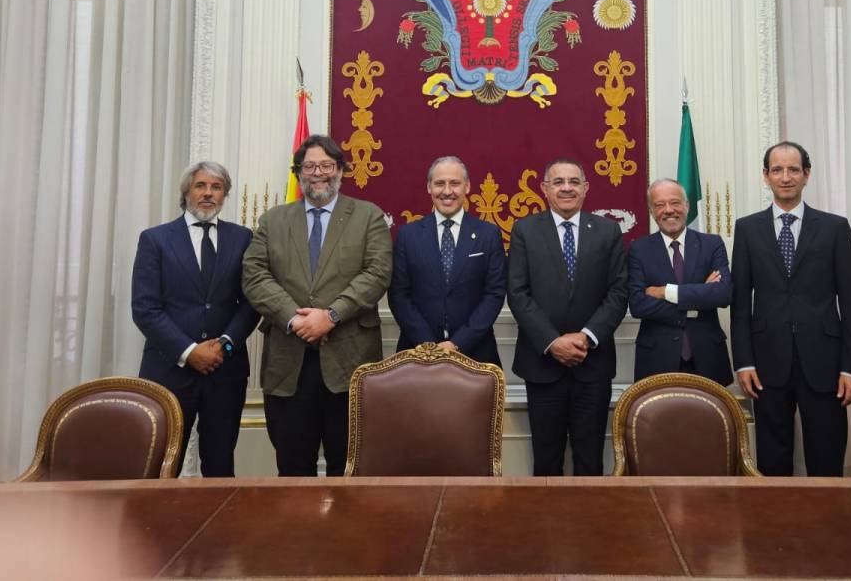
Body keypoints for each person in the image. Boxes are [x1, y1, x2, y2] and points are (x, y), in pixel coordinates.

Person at [242, 134, 392, 476]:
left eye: (326, 165)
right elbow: (254, 275)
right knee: (293, 469)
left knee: (350, 468)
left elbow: (378, 273)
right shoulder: (272, 221)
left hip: (349, 362)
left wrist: (332, 315)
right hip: (288, 363)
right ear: (298, 173)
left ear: (340, 170)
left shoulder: (368, 216)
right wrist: (296, 321)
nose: (318, 173)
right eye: (309, 166)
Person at [730, 142, 851, 477]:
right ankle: (777, 527)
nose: (786, 177)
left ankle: (827, 526)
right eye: (777, 169)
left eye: (793, 169)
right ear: (766, 176)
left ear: (806, 174)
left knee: (827, 455)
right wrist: (743, 361)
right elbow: (739, 302)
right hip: (766, 363)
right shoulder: (747, 229)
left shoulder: (835, 227)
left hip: (825, 363)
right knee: (773, 460)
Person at [131, 161, 257, 477]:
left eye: (216, 187)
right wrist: (190, 352)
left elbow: (251, 303)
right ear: (187, 191)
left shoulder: (243, 239)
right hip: (169, 369)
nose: (208, 193)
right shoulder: (155, 239)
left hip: (225, 371)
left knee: (220, 464)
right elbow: (145, 308)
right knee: (161, 463)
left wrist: (224, 346)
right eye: (201, 185)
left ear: (225, 194)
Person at [506, 158, 628, 475]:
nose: (566, 188)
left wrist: (585, 337)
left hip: (594, 364)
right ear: (545, 189)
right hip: (543, 364)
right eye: (558, 182)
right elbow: (518, 294)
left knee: (590, 460)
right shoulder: (524, 230)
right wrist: (552, 342)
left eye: (574, 181)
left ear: (586, 188)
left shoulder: (607, 231)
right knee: (546, 461)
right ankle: (547, 525)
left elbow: (618, 292)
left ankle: (589, 526)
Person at [388, 156, 506, 365]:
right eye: (440, 183)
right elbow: (399, 295)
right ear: (429, 187)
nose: (447, 191)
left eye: (455, 183)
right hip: (417, 353)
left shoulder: (488, 234)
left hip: (475, 354)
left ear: (467, 187)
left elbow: (494, 294)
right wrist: (430, 346)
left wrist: (457, 343)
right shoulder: (408, 235)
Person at [628, 178, 733, 385]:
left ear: (687, 206)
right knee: (658, 418)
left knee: (709, 417)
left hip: (707, 357)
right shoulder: (638, 250)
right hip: (656, 359)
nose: (668, 210)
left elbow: (723, 294)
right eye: (659, 205)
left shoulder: (712, 244)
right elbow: (638, 305)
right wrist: (699, 297)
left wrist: (665, 292)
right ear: (651, 211)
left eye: (675, 202)